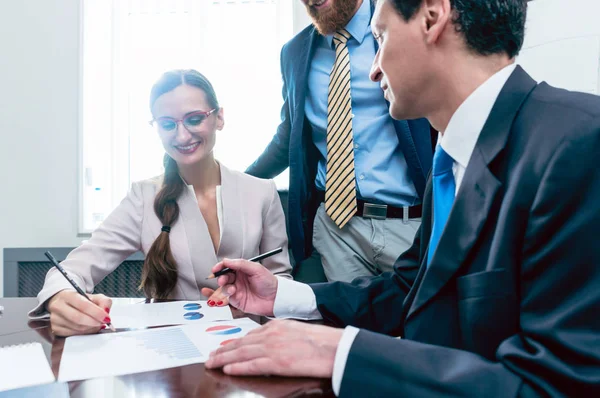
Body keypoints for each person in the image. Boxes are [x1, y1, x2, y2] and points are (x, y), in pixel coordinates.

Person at [203, 0, 600, 396]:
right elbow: (409, 290)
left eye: (380, 37)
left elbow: (555, 385)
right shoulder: (451, 163)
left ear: (432, 17)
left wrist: (342, 352)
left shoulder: (579, 145)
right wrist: (283, 295)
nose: (374, 68)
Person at [29, 69, 292, 337]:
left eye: (194, 119)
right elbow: (75, 267)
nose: (181, 135)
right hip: (174, 353)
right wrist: (59, 296)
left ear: (219, 118)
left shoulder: (262, 192)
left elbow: (282, 282)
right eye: (167, 124)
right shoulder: (143, 197)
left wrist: (258, 296)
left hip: (251, 346)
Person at [246, 0, 435, 283]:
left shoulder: (401, 25)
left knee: (420, 321)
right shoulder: (294, 52)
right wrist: (234, 182)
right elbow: (289, 137)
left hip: (411, 224)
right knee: (347, 324)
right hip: (337, 228)